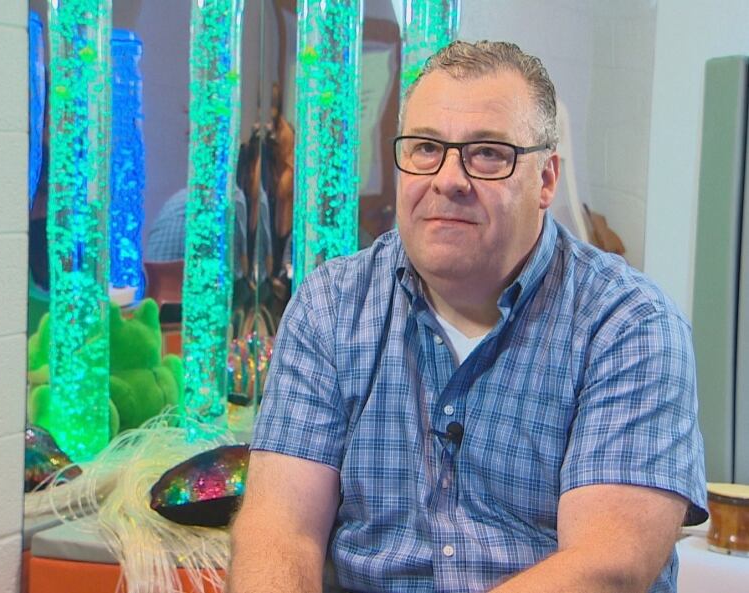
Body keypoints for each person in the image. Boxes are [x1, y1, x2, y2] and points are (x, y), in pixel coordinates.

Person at [226, 41, 707, 593]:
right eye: (426, 148)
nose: (448, 179)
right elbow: (279, 531)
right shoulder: (331, 307)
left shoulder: (629, 326)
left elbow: (607, 566)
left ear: (546, 179)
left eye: (487, 154)